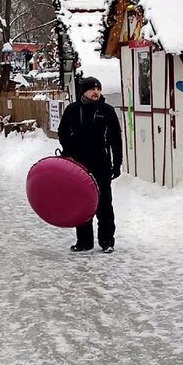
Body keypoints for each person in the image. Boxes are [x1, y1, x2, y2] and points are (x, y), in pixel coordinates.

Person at [58, 76, 123, 254]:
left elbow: (116, 139)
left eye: (98, 89)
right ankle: (84, 241)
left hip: (101, 163)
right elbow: (62, 132)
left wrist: (117, 163)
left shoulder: (107, 111)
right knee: (81, 202)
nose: (96, 92)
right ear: (83, 91)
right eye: (92, 89)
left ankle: (107, 241)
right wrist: (69, 151)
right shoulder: (72, 110)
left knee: (104, 204)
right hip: (78, 166)